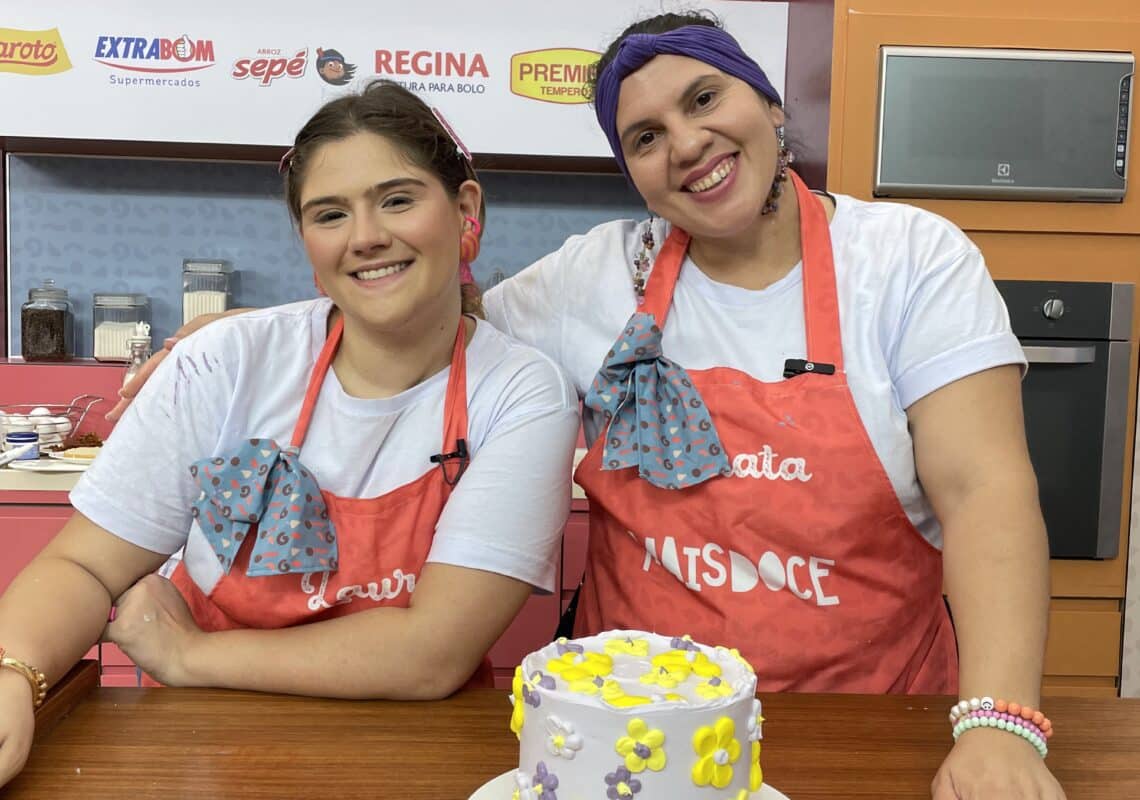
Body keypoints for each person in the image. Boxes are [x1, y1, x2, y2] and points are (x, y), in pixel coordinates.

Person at [109, 11, 1064, 799]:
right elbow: (422, 300)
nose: (686, 144)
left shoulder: (906, 259)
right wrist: (239, 333)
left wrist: (1000, 726)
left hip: (871, 719)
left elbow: (985, 493)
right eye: (644, 138)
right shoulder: (598, 277)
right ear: (631, 169)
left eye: (705, 99)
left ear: (770, 105)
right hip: (625, 742)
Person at [0, 80, 579, 788]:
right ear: (307, 241)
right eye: (330, 213)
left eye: (397, 199)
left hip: (413, 751)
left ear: (465, 211)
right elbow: (83, 567)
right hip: (202, 747)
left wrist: (188, 657)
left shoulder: (522, 392)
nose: (366, 236)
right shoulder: (227, 361)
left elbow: (432, 654)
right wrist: (13, 672)